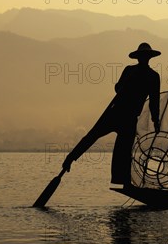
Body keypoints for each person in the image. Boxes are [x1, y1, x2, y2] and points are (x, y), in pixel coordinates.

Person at [62, 43, 161, 186]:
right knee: (93, 135)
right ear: (139, 58)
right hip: (117, 112)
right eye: (142, 56)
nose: (143, 59)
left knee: (124, 151)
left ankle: (125, 182)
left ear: (148, 58)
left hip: (129, 117)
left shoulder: (152, 76)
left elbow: (154, 102)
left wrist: (155, 120)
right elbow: (118, 88)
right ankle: (70, 159)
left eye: (144, 56)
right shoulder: (132, 71)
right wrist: (124, 85)